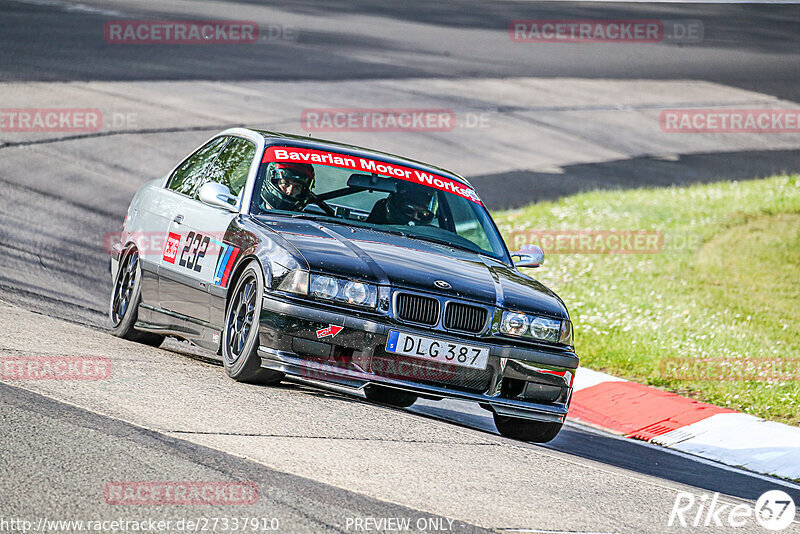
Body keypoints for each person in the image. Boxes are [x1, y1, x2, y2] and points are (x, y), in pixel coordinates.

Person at [367, 182, 436, 225]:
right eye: (409, 210)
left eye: (424, 214)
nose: (415, 217)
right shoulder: (380, 212)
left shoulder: (433, 234)